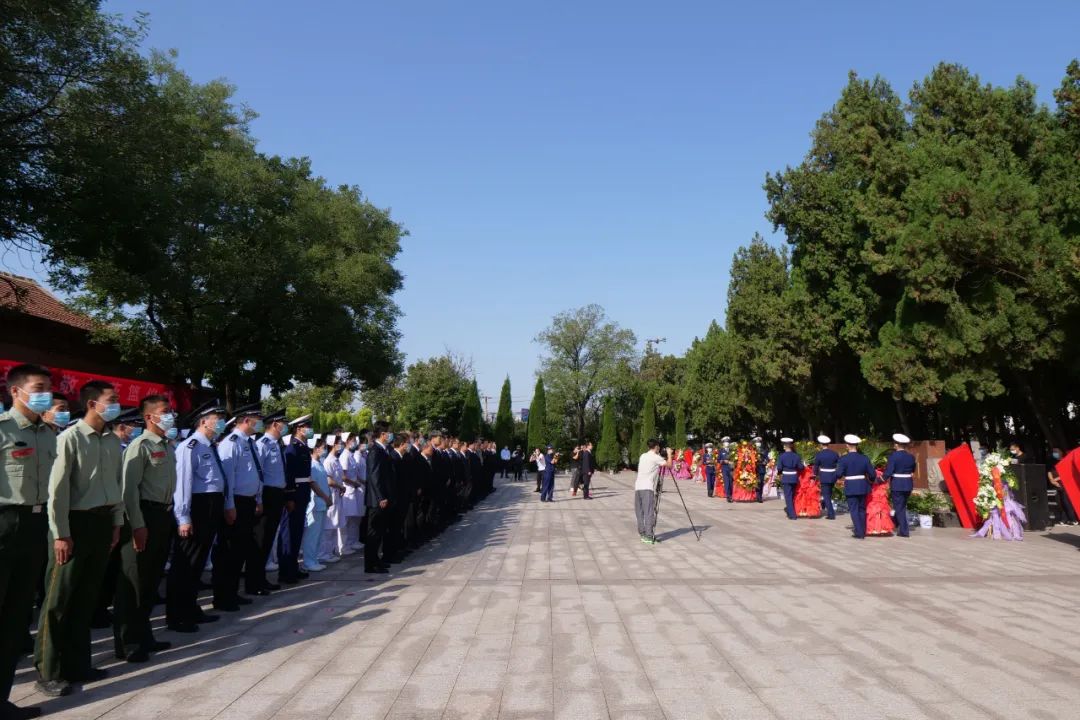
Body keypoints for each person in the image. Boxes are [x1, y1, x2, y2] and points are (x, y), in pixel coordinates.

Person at [35, 380, 125, 697]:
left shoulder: (112, 441)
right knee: (58, 600)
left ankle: (77, 664)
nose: (116, 404)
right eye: (111, 400)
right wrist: (60, 534)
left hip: (102, 524)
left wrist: (116, 523)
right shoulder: (69, 439)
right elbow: (56, 492)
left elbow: (117, 487)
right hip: (73, 523)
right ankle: (48, 670)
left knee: (87, 596)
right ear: (91, 404)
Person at [1, 363, 57, 717]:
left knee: (16, 619)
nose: (45, 395)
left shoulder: (49, 434)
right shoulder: (3, 430)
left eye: (48, 388)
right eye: (38, 387)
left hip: (37, 527)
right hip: (4, 525)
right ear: (16, 391)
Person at [112, 394, 177, 663]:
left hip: (163, 514)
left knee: (151, 581)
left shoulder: (166, 444)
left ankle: (145, 635)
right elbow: (128, 492)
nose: (170, 415)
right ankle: (127, 642)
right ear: (150, 417)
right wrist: (137, 525)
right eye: (165, 411)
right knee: (134, 583)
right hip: (143, 515)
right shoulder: (140, 446)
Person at [165, 400, 228, 632]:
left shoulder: (209, 445)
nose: (220, 422)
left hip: (211, 506)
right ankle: (177, 615)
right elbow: (182, 484)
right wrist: (183, 517)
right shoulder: (189, 446)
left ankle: (191, 608)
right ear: (204, 421)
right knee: (185, 563)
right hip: (197, 508)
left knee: (198, 562)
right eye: (217, 418)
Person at [214, 403, 264, 611]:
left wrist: (258, 498)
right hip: (236, 502)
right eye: (256, 418)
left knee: (240, 550)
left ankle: (233, 592)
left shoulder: (248, 442)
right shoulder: (231, 442)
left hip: (249, 501)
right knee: (229, 552)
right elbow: (228, 478)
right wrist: (229, 505)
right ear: (245, 420)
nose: (259, 422)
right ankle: (223, 597)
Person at [251, 409, 288, 594]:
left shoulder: (276, 444)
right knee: (261, 538)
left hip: (277, 494)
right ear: (275, 424)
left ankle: (261, 578)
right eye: (283, 423)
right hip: (267, 495)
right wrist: (259, 498)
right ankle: (254, 581)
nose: (286, 426)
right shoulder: (263, 444)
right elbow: (258, 473)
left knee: (268, 538)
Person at [278, 415, 315, 585]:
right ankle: (286, 571)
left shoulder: (302, 447)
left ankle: (293, 567)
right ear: (298, 429)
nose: (309, 429)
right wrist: (290, 496)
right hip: (295, 493)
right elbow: (289, 474)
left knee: (297, 533)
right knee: (289, 534)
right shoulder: (291, 448)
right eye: (306, 426)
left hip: (303, 492)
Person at [364, 421, 394, 574]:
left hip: (382, 498)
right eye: (389, 432)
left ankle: (376, 560)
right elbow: (375, 476)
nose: (390, 434)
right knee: (373, 533)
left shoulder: (383, 450)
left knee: (380, 532)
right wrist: (381, 497)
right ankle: (370, 564)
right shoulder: (375, 451)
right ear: (382, 434)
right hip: (377, 500)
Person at [301, 438, 332, 572]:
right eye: (322, 447)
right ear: (315, 448)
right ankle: (308, 561)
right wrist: (325, 497)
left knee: (318, 534)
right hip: (316, 503)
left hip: (323, 503)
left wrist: (328, 497)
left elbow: (324, 483)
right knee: (312, 535)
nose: (324, 450)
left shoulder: (319, 463)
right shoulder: (312, 464)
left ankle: (314, 559)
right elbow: (313, 484)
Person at [635, 440, 673, 544]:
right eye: (659, 447)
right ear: (656, 447)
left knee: (640, 512)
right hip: (647, 488)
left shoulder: (643, 455)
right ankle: (648, 535)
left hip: (638, 487)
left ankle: (643, 533)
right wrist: (669, 454)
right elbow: (669, 465)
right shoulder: (656, 457)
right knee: (649, 512)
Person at [837, 434, 874, 539]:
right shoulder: (864, 458)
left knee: (854, 510)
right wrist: (870, 481)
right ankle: (863, 529)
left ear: (848, 445)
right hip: (863, 486)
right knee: (862, 509)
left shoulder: (844, 459)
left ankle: (859, 532)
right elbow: (872, 474)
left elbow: (839, 474)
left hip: (851, 486)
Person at [884, 433, 916, 537]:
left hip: (897, 484)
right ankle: (895, 523)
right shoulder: (910, 457)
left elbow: (888, 472)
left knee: (899, 508)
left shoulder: (893, 456)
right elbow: (913, 469)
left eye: (895, 443)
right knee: (902, 506)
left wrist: (879, 480)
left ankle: (904, 531)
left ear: (897, 445)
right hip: (908, 484)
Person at [776, 438, 804, 520]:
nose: (783, 447)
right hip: (794, 478)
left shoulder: (782, 456)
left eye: (784, 445)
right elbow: (800, 467)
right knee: (792, 496)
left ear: (785, 446)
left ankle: (792, 515)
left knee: (788, 496)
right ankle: (791, 510)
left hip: (786, 478)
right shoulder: (796, 456)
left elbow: (779, 468)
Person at [1048, 448, 1077, 525]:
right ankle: (1064, 519)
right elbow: (1049, 471)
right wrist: (1052, 480)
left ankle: (1073, 519)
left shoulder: (1065, 460)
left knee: (1066, 502)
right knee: (1059, 502)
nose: (1055, 453)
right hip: (1056, 484)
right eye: (1053, 451)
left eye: (1056, 451)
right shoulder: (1052, 462)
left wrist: (1056, 479)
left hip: (1065, 483)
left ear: (1061, 452)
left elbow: (1068, 473)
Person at [813, 436, 839, 520]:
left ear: (821, 444)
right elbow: (839, 464)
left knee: (826, 495)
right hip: (833, 475)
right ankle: (827, 506)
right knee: (829, 494)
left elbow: (816, 466)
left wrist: (815, 474)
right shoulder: (834, 453)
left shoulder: (819, 454)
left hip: (824, 476)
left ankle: (831, 514)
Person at [719, 437, 734, 502]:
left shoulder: (732, 451)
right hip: (724, 468)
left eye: (728, 442)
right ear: (723, 443)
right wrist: (724, 461)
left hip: (731, 469)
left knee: (731, 483)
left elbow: (735, 458)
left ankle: (731, 495)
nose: (727, 443)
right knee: (727, 482)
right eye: (725, 442)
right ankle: (728, 496)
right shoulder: (721, 451)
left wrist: (733, 462)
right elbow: (718, 460)